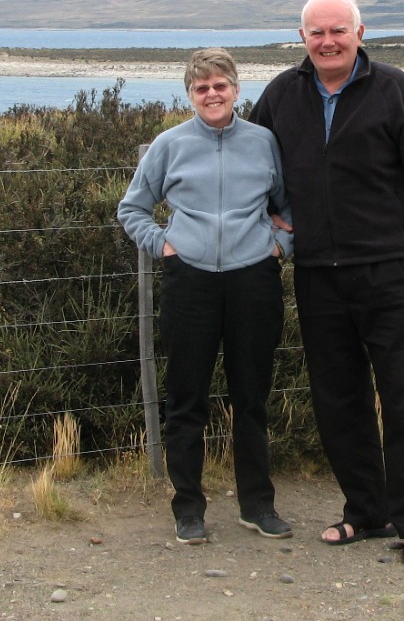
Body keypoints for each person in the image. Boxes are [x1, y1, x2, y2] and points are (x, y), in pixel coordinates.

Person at [249, 0, 404, 566]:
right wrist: (263, 219)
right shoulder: (281, 95)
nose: (328, 41)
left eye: (338, 30)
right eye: (317, 32)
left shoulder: (395, 90)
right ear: (302, 40)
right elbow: (249, 160)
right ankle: (366, 511)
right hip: (318, 274)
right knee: (339, 400)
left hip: (391, 272)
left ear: (361, 34)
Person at [118, 47, 294, 546]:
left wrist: (279, 247)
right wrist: (164, 245)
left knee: (252, 397)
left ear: (236, 90)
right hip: (190, 280)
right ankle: (188, 508)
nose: (212, 94)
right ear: (190, 95)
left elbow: (289, 206)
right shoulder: (169, 145)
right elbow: (132, 209)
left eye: (220, 85)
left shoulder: (264, 143)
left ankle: (258, 507)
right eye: (201, 88)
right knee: (187, 398)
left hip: (253, 280)